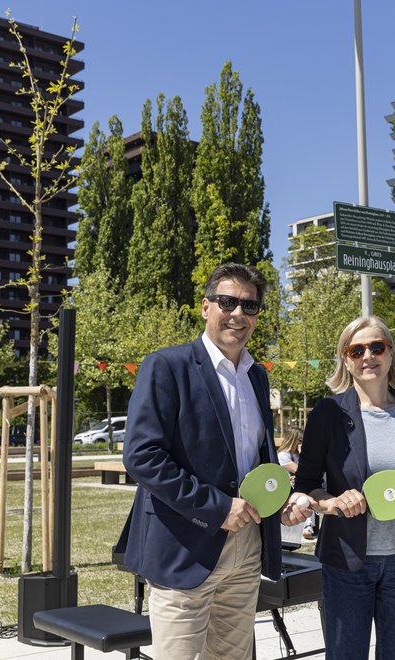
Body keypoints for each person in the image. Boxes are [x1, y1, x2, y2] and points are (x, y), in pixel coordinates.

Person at [121, 263, 290, 659]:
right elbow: (142, 457)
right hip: (185, 546)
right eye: (228, 302)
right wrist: (217, 508)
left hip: (247, 547)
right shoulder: (167, 366)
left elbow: (254, 459)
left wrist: (280, 496)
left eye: (250, 306)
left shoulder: (257, 377)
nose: (239, 314)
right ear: (205, 307)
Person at [294, 315, 395, 660]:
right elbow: (306, 485)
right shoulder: (327, 413)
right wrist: (331, 503)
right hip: (346, 561)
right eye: (356, 350)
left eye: (377, 347)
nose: (368, 356)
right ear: (345, 359)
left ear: (391, 354)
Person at [276, 427, 316, 540]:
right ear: (292, 439)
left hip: (295, 485)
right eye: (300, 440)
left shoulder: (296, 455)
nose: (301, 443)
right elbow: (301, 471)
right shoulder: (283, 455)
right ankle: (307, 527)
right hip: (285, 489)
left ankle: (308, 526)